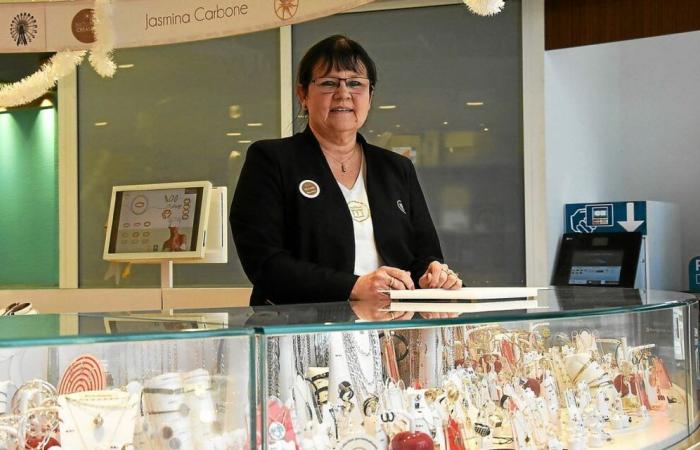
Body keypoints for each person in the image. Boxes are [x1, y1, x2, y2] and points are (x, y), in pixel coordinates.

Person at [230, 35, 462, 308]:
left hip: (390, 334)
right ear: (303, 94)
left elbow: (425, 254)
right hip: (301, 332)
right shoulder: (272, 160)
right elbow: (264, 264)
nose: (343, 94)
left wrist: (434, 274)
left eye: (355, 83)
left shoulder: (396, 168)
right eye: (329, 83)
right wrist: (353, 287)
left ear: (370, 95)